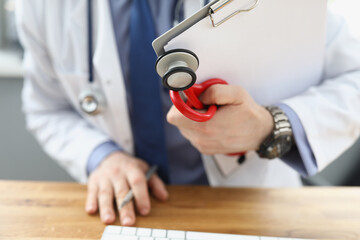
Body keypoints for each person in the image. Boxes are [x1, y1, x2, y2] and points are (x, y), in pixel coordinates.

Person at [16, 0, 360, 226]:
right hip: (129, 214)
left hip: (251, 207)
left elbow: (354, 78)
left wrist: (272, 124)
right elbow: (47, 108)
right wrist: (100, 157)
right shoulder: (44, 7)